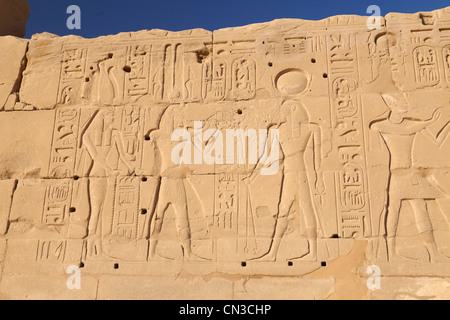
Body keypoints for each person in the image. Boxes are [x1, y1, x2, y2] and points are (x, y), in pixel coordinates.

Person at [370, 94, 450, 263]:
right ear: (391, 105)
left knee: (421, 209)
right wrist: (425, 123)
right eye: (402, 102)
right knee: (394, 212)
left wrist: (447, 125)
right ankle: (391, 254)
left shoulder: (411, 125)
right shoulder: (383, 126)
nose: (406, 104)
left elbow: (437, 141)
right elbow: (381, 132)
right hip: (397, 175)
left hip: (410, 173)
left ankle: (433, 254)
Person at [257, 100, 324, 262]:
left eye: (284, 110)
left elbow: (316, 158)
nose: (282, 113)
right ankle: (273, 253)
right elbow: (276, 157)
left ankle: (313, 253)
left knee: (306, 209)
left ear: (293, 109)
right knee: (283, 210)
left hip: (301, 175)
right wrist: (254, 173)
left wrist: (319, 178)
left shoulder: (311, 128)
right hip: (289, 174)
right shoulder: (279, 130)